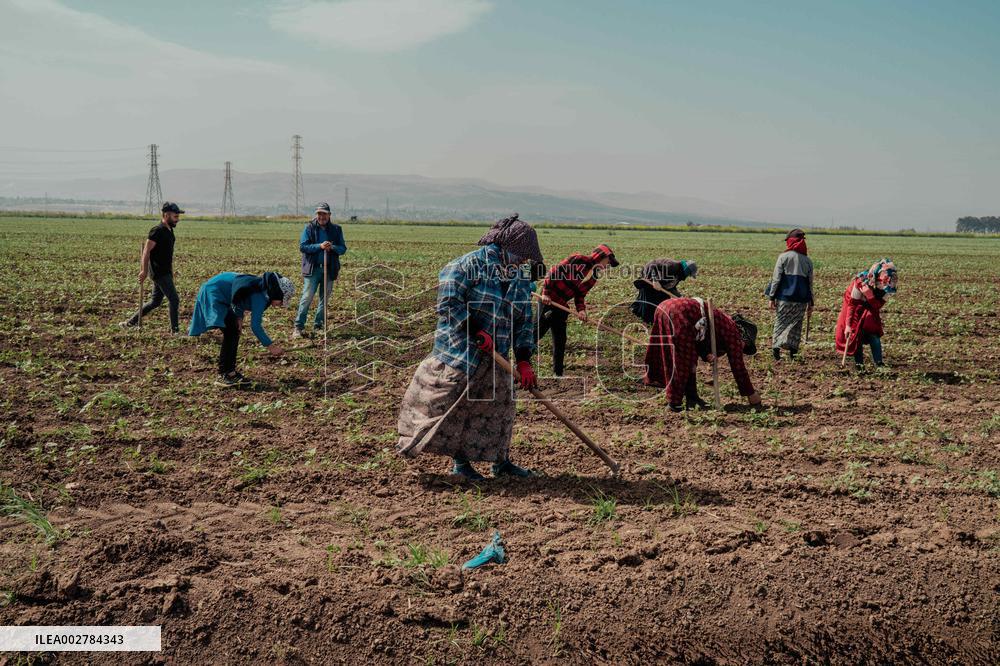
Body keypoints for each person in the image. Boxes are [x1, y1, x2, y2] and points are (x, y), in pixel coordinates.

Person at [397, 214, 544, 481]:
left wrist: (523, 358)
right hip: (461, 352)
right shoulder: (467, 265)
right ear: (505, 247)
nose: (525, 262)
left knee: (501, 408)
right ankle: (461, 465)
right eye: (522, 255)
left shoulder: (521, 276)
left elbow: (523, 319)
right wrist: (474, 331)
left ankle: (501, 462)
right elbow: (448, 304)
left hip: (497, 353)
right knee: (459, 407)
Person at [644, 297, 762, 412]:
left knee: (683, 356)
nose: (741, 349)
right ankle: (674, 403)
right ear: (744, 337)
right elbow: (738, 367)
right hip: (681, 312)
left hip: (664, 306)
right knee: (681, 360)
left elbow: (698, 339)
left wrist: (705, 354)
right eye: (744, 347)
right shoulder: (735, 335)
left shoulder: (725, 323)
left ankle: (692, 398)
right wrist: (751, 394)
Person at [188, 271, 295, 387]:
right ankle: (224, 374)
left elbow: (239, 297)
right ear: (278, 293)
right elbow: (255, 326)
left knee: (234, 331)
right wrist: (271, 347)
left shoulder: (263, 289)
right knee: (231, 332)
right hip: (214, 292)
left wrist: (238, 316)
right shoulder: (260, 296)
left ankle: (230, 373)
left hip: (220, 292)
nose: (281, 304)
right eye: (282, 300)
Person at [536, 244, 619, 376]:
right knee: (537, 332)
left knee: (560, 338)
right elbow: (554, 271)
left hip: (561, 305)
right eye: (607, 262)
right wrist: (545, 292)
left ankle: (558, 373)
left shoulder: (595, 275)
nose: (607, 265)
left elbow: (580, 294)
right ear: (600, 257)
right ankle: (521, 361)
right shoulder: (579, 259)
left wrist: (581, 310)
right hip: (549, 299)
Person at [120, 202, 184, 333]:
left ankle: (130, 323)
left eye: (178, 216)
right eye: (175, 216)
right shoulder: (157, 230)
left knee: (155, 301)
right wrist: (143, 270)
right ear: (166, 215)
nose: (177, 219)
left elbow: (167, 254)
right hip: (159, 272)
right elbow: (146, 251)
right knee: (174, 300)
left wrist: (171, 271)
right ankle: (175, 332)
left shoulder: (169, 231)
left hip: (165, 272)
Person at [293, 202, 347, 339]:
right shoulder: (309, 228)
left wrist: (332, 248)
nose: (321, 216)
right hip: (313, 270)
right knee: (306, 298)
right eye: (319, 213)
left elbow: (343, 249)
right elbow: (303, 247)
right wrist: (320, 246)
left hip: (329, 270)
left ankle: (318, 326)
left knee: (324, 300)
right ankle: (298, 327)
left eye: (324, 213)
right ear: (316, 215)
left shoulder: (336, 229)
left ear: (329, 215)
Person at [835, 259, 898, 370]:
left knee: (874, 332)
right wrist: (848, 326)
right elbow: (852, 305)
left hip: (871, 306)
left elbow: (877, 306)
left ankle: (879, 364)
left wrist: (870, 296)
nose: (883, 287)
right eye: (881, 284)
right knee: (856, 333)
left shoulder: (889, 287)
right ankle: (859, 365)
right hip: (855, 304)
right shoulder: (861, 282)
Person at [765, 228, 814, 360]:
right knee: (797, 325)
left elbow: (776, 279)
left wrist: (771, 297)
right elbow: (810, 284)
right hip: (801, 300)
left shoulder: (783, 257)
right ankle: (793, 354)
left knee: (780, 322)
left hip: (784, 298)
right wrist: (811, 303)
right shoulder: (807, 261)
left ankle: (776, 350)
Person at [630, 258, 698, 325]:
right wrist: (655, 280)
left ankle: (654, 315)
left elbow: (671, 287)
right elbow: (652, 266)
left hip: (659, 283)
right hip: (649, 278)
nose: (687, 276)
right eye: (689, 274)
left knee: (664, 300)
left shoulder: (679, 274)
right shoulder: (672, 266)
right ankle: (641, 314)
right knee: (650, 301)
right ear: (686, 270)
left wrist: (680, 297)